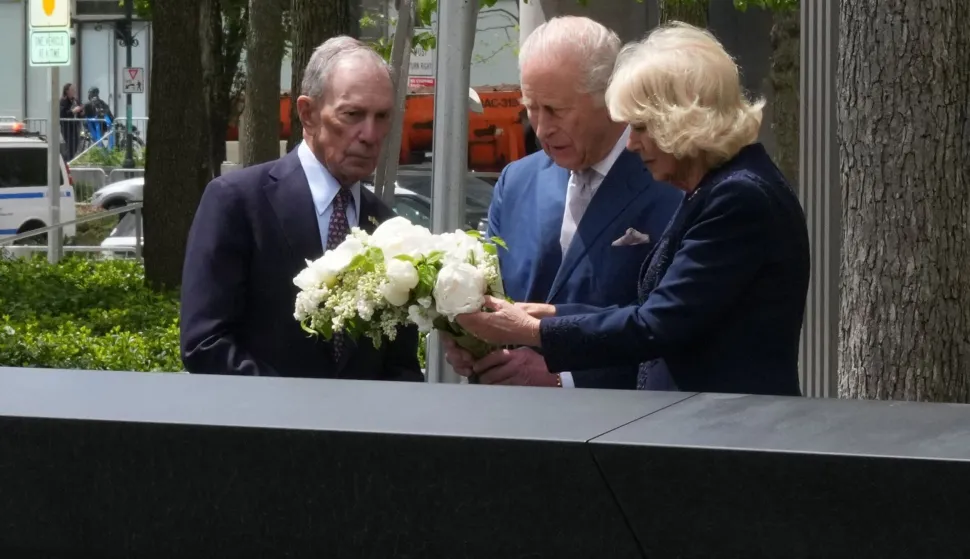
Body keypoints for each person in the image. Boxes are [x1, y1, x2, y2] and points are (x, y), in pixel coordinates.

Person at [454, 22, 811, 397]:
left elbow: (656, 323)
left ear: (684, 119)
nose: (632, 144)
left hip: (728, 436)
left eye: (640, 126)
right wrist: (548, 315)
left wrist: (532, 331)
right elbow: (654, 310)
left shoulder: (738, 197)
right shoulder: (721, 187)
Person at [444, 16, 682, 390]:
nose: (540, 128)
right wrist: (472, 342)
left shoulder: (669, 181)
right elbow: (494, 297)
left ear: (610, 97)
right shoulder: (517, 181)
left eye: (555, 109)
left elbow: (669, 330)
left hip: (622, 428)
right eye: (531, 108)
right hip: (509, 425)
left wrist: (565, 379)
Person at [180, 36, 423, 382]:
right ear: (308, 114)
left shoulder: (388, 228)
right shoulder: (237, 203)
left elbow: (400, 367)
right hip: (263, 430)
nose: (370, 134)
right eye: (352, 114)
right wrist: (294, 414)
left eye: (382, 116)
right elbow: (205, 344)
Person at [59, 84, 82, 160]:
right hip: (67, 127)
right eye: (72, 90)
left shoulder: (75, 101)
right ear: (67, 91)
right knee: (70, 146)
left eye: (74, 90)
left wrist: (81, 112)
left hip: (75, 126)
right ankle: (66, 161)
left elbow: (80, 112)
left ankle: (68, 160)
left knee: (75, 145)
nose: (74, 91)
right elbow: (62, 114)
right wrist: (73, 111)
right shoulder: (63, 101)